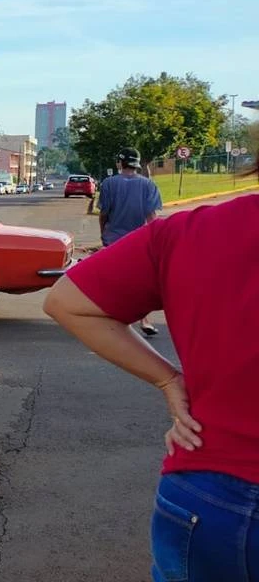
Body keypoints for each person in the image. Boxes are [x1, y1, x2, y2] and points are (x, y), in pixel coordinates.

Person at [43, 174, 259, 581]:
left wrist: (168, 380)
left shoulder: (187, 232)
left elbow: (66, 301)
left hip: (204, 487)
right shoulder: (150, 195)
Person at [98, 147, 163, 336]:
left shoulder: (109, 184)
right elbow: (152, 217)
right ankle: (144, 320)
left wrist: (103, 233)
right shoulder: (148, 185)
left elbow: (104, 213)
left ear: (120, 162)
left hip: (114, 240)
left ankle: (114, 317)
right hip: (139, 240)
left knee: (116, 280)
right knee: (140, 281)